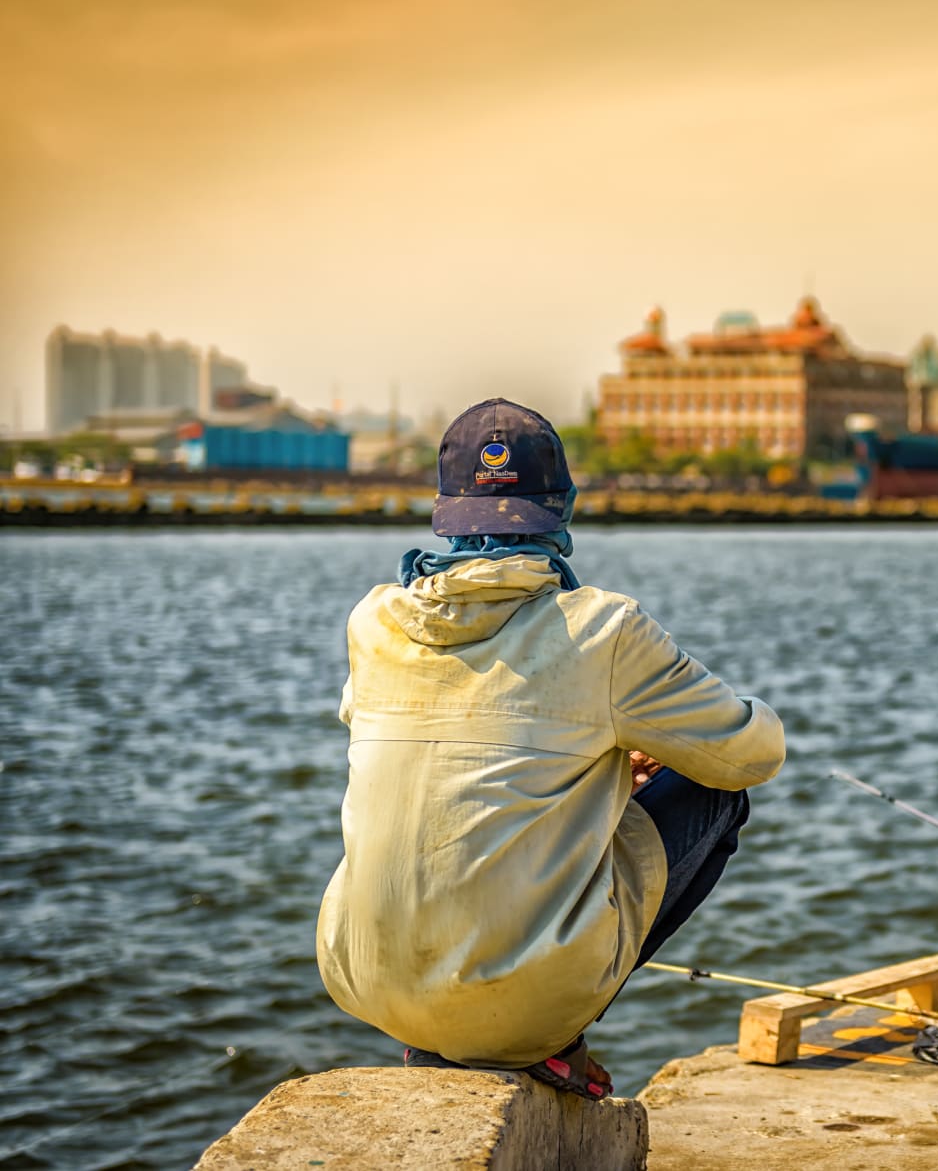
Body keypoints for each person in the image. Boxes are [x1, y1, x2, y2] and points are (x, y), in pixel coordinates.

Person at [316, 397, 784, 1098]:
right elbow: (751, 752)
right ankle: (552, 1033)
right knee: (717, 790)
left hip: (361, 979)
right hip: (523, 1006)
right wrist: (623, 754)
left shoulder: (374, 619)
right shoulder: (602, 628)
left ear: (445, 512)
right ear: (562, 505)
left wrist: (590, 761)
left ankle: (436, 1037)